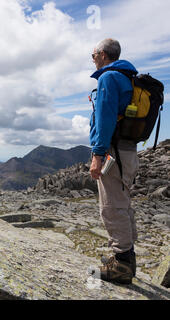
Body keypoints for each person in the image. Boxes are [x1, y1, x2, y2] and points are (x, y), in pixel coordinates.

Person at [89, 38, 139, 284]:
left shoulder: (108, 78)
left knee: (111, 205)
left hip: (112, 152)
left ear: (102, 54)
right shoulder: (127, 76)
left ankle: (122, 267)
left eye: (93, 54)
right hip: (126, 151)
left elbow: (105, 119)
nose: (92, 58)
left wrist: (98, 155)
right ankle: (125, 257)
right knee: (122, 202)